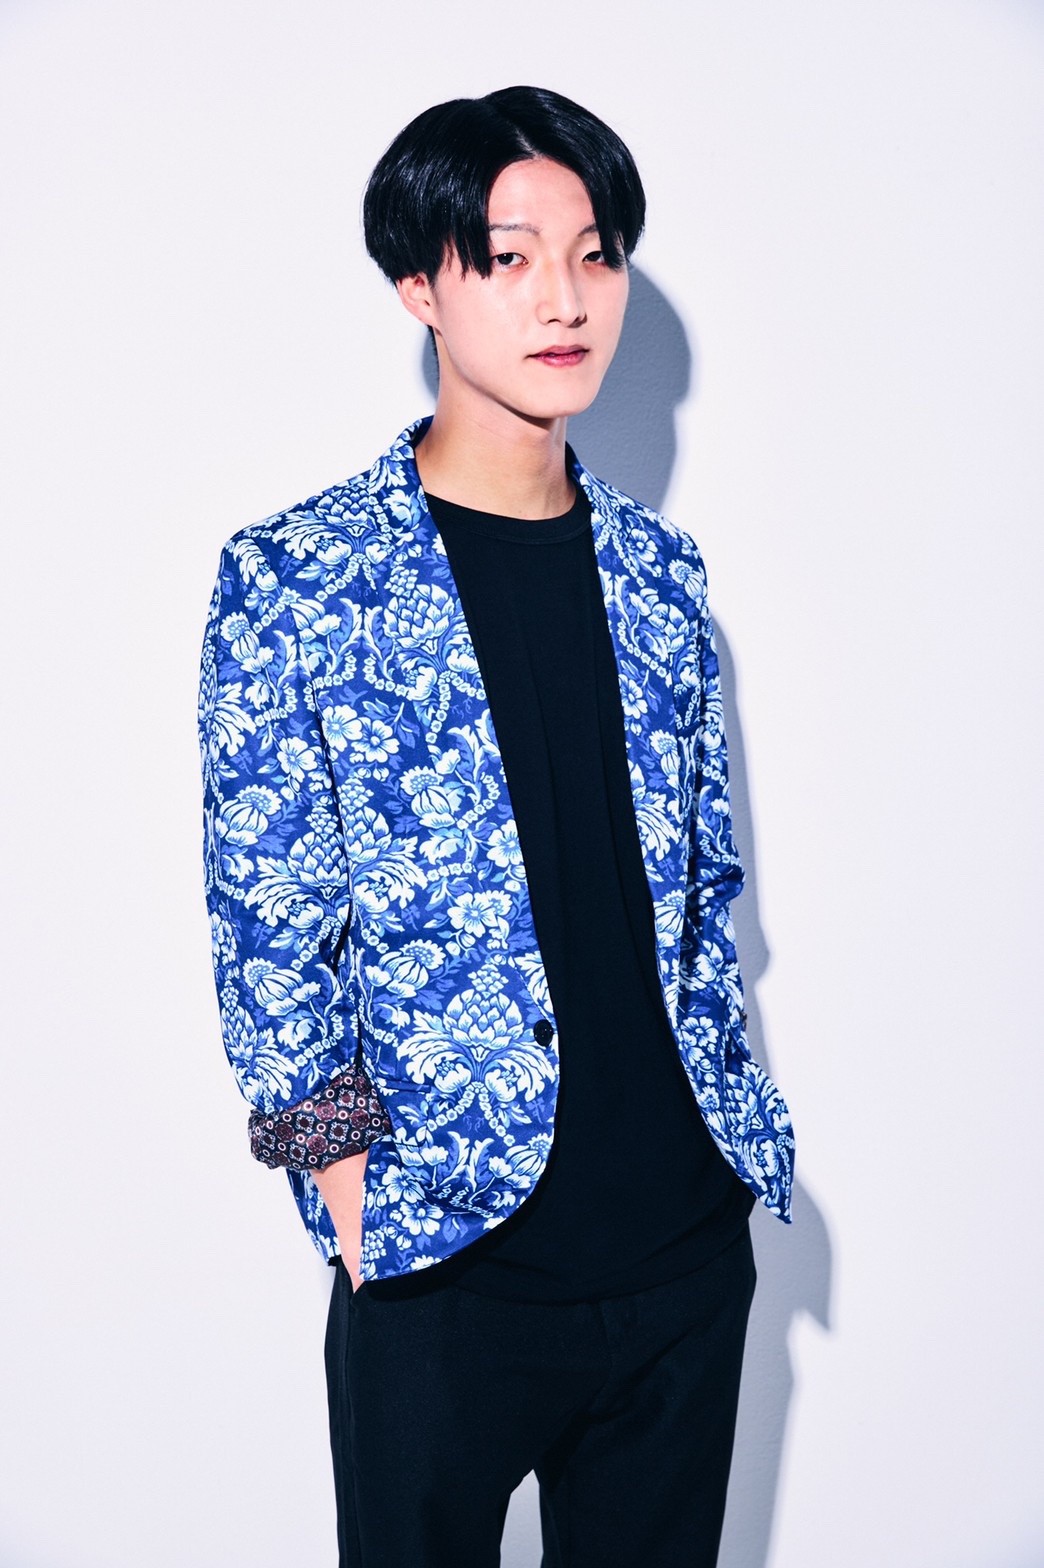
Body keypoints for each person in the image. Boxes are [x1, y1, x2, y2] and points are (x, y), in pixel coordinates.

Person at [198, 84, 795, 1568]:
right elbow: (267, 922)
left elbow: (704, 888)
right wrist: (343, 1189)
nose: (564, 299)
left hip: (679, 1250)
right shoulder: (297, 577)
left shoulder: (662, 574)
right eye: (509, 256)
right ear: (421, 284)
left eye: (595, 256)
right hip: (445, 1261)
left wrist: (730, 1155)